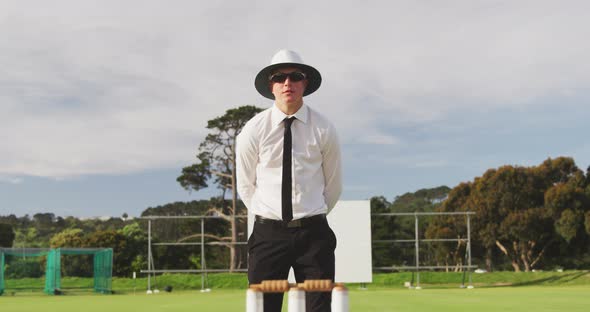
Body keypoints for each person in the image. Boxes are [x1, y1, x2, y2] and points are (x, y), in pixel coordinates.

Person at [236, 49, 342, 312]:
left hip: (314, 235)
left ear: (304, 83)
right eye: (279, 77)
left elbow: (334, 184)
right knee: (264, 308)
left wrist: (309, 215)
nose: (288, 83)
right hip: (268, 235)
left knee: (318, 308)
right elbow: (246, 186)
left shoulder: (324, 128)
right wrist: (269, 216)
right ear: (270, 85)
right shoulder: (253, 130)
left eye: (295, 76)